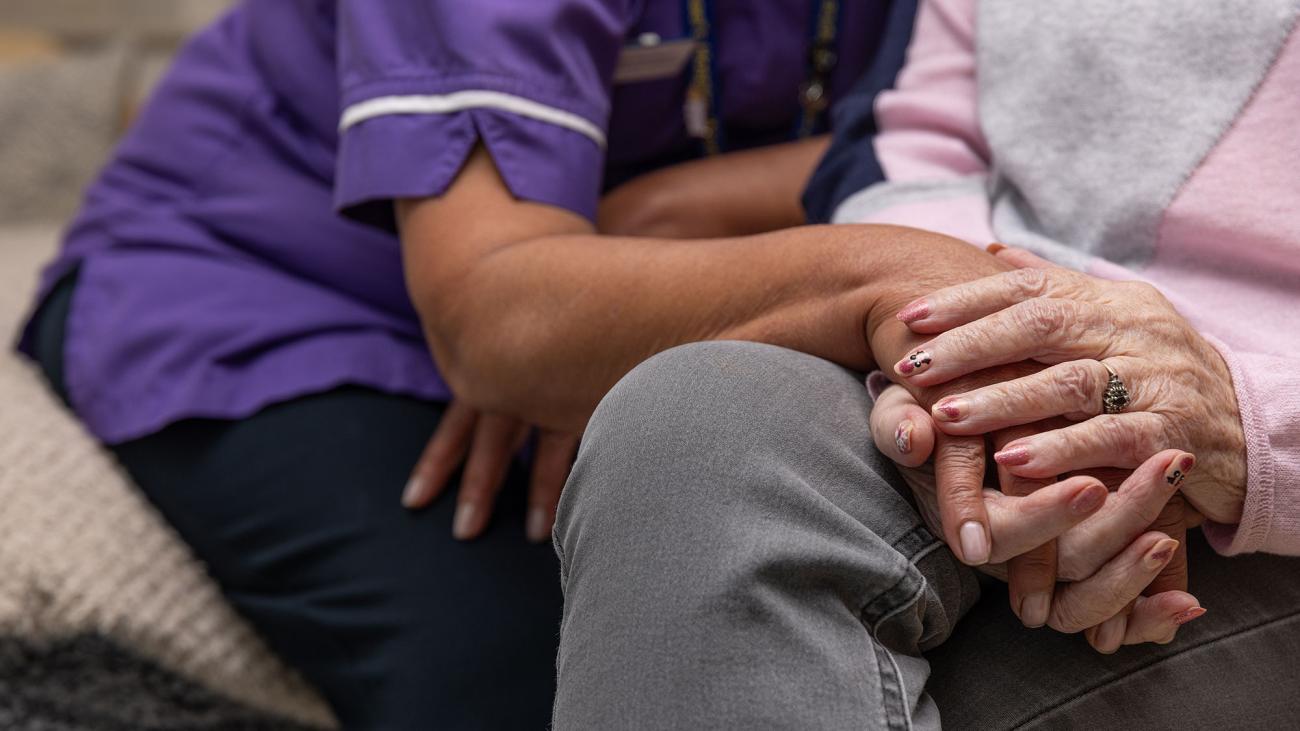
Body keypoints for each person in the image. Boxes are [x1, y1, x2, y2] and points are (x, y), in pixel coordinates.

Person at [551, 0, 1300, 728]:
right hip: (1003, 349)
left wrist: (1249, 426)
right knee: (689, 423)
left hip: (1264, 478)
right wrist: (972, 361)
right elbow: (926, 144)